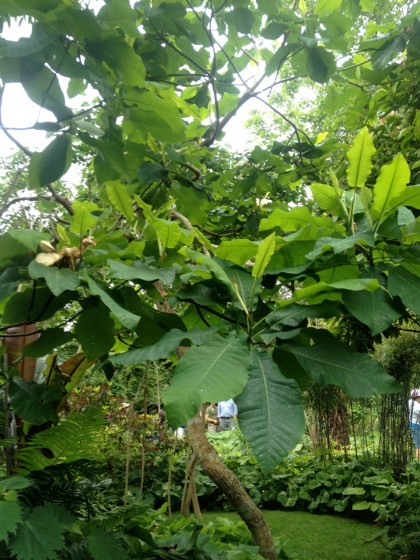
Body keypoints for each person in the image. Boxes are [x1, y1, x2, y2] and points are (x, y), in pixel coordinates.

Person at [408, 388, 420, 460]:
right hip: (416, 426)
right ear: (417, 397)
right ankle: (418, 463)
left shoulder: (410, 402)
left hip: (413, 425)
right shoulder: (417, 407)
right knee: (419, 446)